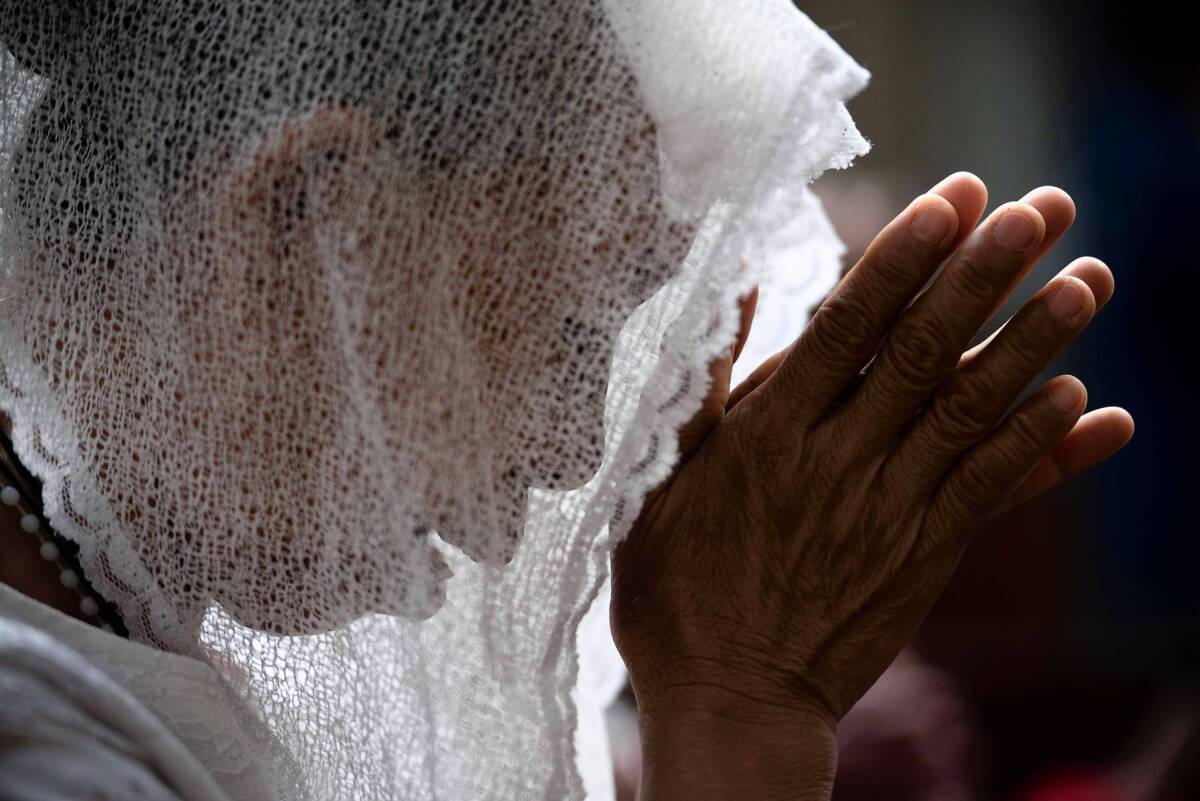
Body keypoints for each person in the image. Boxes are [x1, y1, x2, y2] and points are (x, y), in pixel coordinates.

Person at [0, 2, 1133, 799]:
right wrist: (743, 715)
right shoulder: (42, 750)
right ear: (303, 216)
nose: (571, 448)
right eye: (573, 328)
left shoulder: (119, 631)